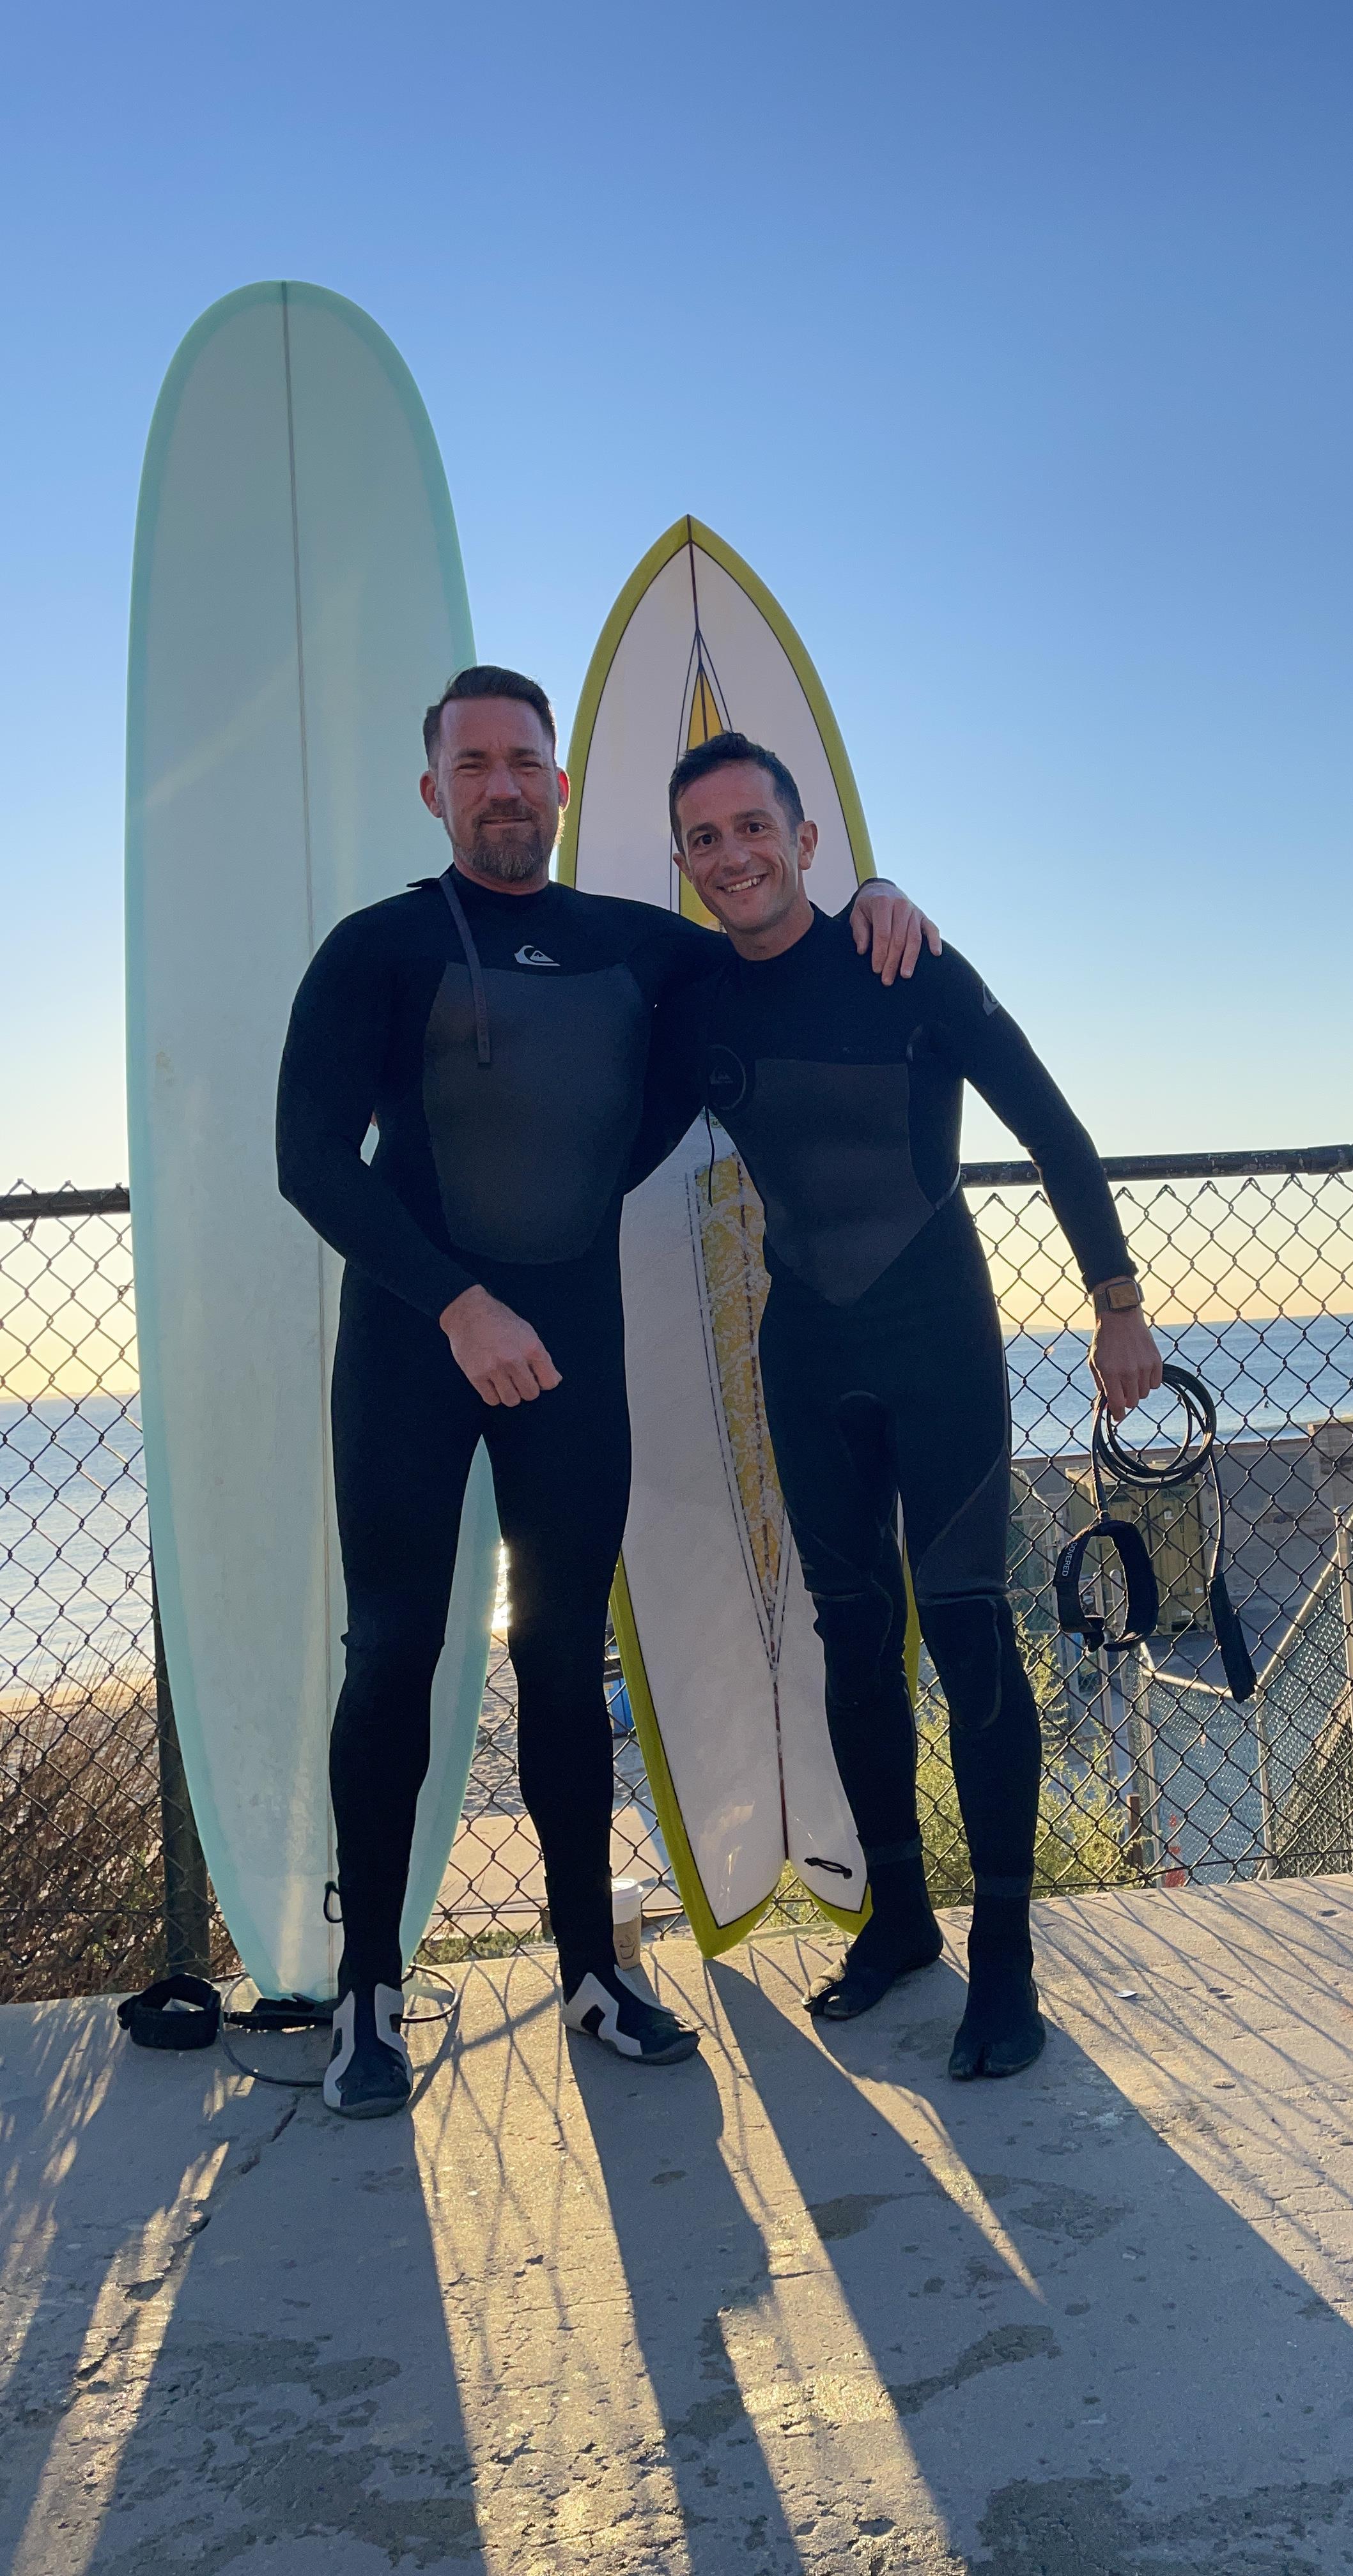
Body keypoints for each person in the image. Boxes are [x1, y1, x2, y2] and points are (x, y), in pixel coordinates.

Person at [275, 668, 938, 2119]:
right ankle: (366, 1990)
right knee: (391, 1650)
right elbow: (311, 1162)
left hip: (569, 1338)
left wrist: (879, 886)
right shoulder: (376, 949)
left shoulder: (643, 947)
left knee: (567, 1654)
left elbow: (784, 941)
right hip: (415, 1340)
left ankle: (591, 1967)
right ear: (435, 786)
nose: (504, 785)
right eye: (476, 763)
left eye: (528, 762)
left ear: (561, 789)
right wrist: (457, 1301)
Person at [646, 730, 1161, 2080]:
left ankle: (1008, 1959)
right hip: (804, 1351)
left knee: (970, 1628)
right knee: (851, 1636)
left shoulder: (907, 958)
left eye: (756, 828)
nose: (734, 856)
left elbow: (1051, 1125)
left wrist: (1117, 1305)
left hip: (938, 1340)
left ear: (806, 841)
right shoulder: (698, 999)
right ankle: (899, 1923)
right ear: (688, 865)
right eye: (705, 840)